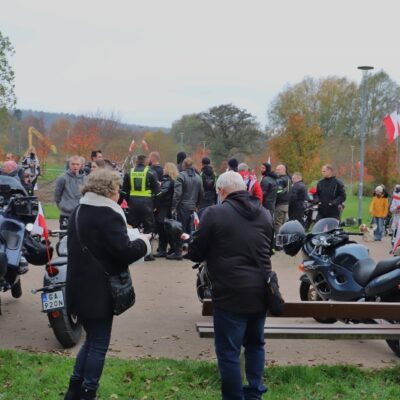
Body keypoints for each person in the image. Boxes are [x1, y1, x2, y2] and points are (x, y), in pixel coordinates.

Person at [64, 169, 151, 400]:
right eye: (117, 188)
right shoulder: (108, 215)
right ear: (110, 190)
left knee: (91, 340)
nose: (119, 193)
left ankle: (74, 391)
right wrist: (143, 242)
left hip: (77, 289)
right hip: (99, 290)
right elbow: (124, 252)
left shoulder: (78, 210)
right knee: (99, 344)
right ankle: (88, 392)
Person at [188, 171, 273, 400]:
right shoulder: (265, 214)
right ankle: (254, 394)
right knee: (256, 344)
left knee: (229, 353)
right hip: (262, 291)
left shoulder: (215, 213)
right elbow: (269, 248)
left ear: (221, 191)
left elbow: (195, 252)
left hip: (230, 293)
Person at [122, 154, 160, 261]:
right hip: (147, 203)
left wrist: (129, 201)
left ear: (137, 161)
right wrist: (155, 205)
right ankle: (147, 253)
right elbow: (157, 192)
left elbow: (124, 191)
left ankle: (133, 253)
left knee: (134, 227)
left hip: (133, 203)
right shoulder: (151, 172)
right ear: (146, 161)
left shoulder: (130, 172)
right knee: (149, 227)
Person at [170, 157, 203, 260]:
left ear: (184, 165)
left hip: (182, 206)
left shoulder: (181, 176)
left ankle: (178, 252)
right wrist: (197, 205)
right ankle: (188, 251)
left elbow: (177, 194)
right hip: (192, 207)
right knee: (190, 230)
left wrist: (174, 207)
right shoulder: (198, 177)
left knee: (179, 230)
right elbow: (201, 193)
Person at [154, 162, 179, 257]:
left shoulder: (168, 181)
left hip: (163, 207)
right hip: (166, 207)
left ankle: (162, 250)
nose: (163, 170)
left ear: (168, 170)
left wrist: (156, 190)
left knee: (162, 229)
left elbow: (162, 193)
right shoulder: (171, 180)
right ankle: (171, 248)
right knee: (167, 229)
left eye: (165, 168)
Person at [54, 155, 85, 230]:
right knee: (64, 237)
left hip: (80, 214)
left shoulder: (86, 179)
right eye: (73, 164)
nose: (75, 166)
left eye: (77, 164)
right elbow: (57, 195)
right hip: (66, 214)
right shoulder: (62, 178)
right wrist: (63, 206)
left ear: (81, 165)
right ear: (69, 165)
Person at [274, 164, 292, 234]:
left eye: (278, 169)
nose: (276, 171)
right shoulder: (289, 179)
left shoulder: (280, 180)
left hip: (280, 205)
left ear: (283, 170)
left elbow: (278, 192)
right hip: (286, 205)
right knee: (284, 225)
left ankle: (278, 242)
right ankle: (284, 242)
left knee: (278, 224)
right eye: (276, 169)